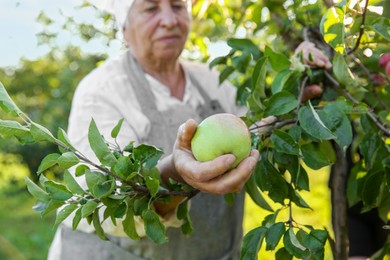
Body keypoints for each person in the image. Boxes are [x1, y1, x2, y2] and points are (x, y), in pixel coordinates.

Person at [47, 1, 332, 259]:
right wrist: (173, 173)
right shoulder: (101, 91)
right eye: (151, 8)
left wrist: (295, 85)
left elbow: (257, 127)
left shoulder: (212, 81)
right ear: (124, 27)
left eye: (177, 5)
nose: (170, 20)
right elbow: (105, 200)